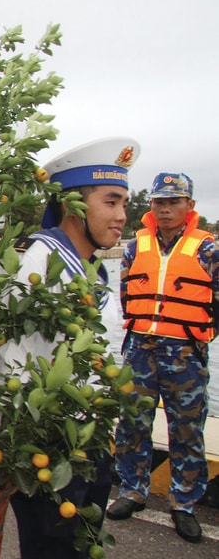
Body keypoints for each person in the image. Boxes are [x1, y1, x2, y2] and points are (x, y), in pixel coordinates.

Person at [0, 138, 137, 558]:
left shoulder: (89, 268)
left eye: (125, 204)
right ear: (72, 205)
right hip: (50, 450)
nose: (122, 217)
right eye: (111, 202)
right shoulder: (37, 265)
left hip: (87, 441)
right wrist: (33, 445)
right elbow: (8, 361)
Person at [107, 172, 217, 543]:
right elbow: (125, 292)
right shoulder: (135, 247)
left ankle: (183, 504)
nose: (166, 208)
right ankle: (132, 491)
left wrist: (199, 336)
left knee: (186, 431)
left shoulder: (208, 249)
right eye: (159, 202)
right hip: (140, 348)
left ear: (190, 206)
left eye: (174, 201)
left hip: (185, 353)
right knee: (131, 424)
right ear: (150, 206)